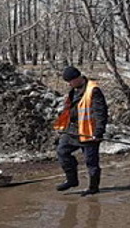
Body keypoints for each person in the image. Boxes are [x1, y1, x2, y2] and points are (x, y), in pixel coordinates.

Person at [52, 66, 108, 196]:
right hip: (72, 131)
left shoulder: (93, 90)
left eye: (70, 81)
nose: (69, 84)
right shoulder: (73, 91)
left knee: (91, 162)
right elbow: (69, 111)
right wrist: (62, 127)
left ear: (77, 78)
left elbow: (101, 113)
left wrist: (99, 132)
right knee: (62, 152)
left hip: (89, 133)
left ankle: (93, 188)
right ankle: (72, 180)